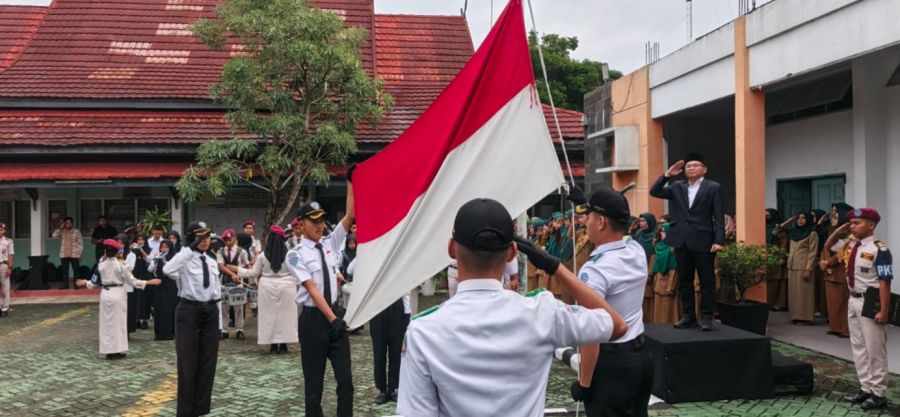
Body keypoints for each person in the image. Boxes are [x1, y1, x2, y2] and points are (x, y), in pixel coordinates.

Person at [396, 198, 627, 417]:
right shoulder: (543, 312)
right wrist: (554, 266)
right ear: (513, 253)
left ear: (451, 249)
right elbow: (617, 325)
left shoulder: (423, 331)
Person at [565, 187, 654, 417]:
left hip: (612, 362)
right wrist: (588, 202)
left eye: (590, 217)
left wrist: (584, 384)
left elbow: (591, 332)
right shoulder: (636, 250)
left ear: (602, 221)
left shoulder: (595, 270)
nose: (585, 222)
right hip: (642, 355)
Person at [285, 183, 355, 417]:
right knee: (314, 385)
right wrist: (334, 320)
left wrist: (351, 183)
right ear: (301, 224)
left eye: (322, 220)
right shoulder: (295, 254)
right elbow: (312, 289)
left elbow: (349, 216)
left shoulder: (328, 245)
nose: (319, 225)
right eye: (313, 221)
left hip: (335, 317)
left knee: (346, 379)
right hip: (314, 322)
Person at [650, 153, 725, 331]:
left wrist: (719, 240)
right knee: (685, 281)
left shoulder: (713, 187)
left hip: (704, 240)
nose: (691, 168)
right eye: (688, 166)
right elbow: (654, 192)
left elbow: (718, 215)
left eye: (695, 165)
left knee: (706, 281)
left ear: (704, 169)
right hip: (681, 240)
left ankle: (706, 317)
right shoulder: (677, 186)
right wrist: (667, 175)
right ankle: (688, 316)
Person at [163, 221, 223, 417]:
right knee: (188, 364)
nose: (205, 241)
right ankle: (186, 412)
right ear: (191, 238)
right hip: (189, 311)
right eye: (199, 237)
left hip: (210, 312)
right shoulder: (184, 258)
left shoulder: (212, 261)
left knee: (208, 363)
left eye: (207, 237)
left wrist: (220, 324)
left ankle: (201, 409)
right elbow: (167, 270)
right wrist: (188, 250)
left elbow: (217, 293)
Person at [837, 208, 892, 411]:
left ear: (871, 225)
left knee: (874, 348)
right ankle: (865, 388)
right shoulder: (852, 246)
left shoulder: (880, 250)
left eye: (857, 223)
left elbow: (885, 282)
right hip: (854, 300)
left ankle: (878, 393)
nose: (852, 226)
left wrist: (884, 311)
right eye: (851, 223)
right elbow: (829, 246)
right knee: (858, 347)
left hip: (871, 303)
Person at [76, 239, 160, 359]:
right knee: (118, 323)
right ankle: (117, 350)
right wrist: (148, 282)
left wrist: (86, 282)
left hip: (105, 293)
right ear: (117, 252)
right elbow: (133, 281)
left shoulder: (101, 265)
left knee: (106, 323)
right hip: (118, 293)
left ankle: (108, 350)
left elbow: (94, 283)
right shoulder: (121, 265)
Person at [239, 225, 298, 354]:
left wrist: (237, 271)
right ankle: (283, 344)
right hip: (287, 286)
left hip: (267, 286)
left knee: (268, 316)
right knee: (286, 316)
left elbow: (253, 273)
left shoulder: (262, 256)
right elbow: (297, 272)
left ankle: (272, 344)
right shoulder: (289, 255)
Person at [774, 212, 819, 325]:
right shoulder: (793, 232)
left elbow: (813, 252)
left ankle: (806, 318)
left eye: (803, 218)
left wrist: (808, 269)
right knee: (794, 293)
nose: (800, 220)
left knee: (804, 293)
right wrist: (790, 220)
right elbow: (775, 231)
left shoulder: (812, 233)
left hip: (803, 266)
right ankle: (795, 316)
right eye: (798, 218)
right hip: (792, 265)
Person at [819, 203, 854, 338]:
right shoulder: (833, 229)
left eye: (836, 211)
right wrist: (823, 261)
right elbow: (825, 247)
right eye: (832, 211)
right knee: (833, 302)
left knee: (843, 302)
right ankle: (835, 327)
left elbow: (845, 251)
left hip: (840, 270)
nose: (833, 213)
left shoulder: (850, 231)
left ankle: (845, 329)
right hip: (829, 270)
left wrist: (829, 262)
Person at [216, 229, 249, 340]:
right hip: (224, 281)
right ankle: (224, 330)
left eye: (230, 239)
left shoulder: (242, 252)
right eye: (225, 240)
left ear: (235, 238)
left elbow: (246, 266)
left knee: (239, 306)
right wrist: (232, 274)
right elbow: (221, 266)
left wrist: (239, 273)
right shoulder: (220, 252)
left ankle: (239, 329)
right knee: (224, 306)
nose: (228, 242)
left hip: (238, 282)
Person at [149, 240, 178, 341]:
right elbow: (150, 269)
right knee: (159, 308)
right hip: (159, 284)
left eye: (166, 247)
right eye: (162, 247)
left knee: (169, 309)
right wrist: (155, 260)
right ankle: (159, 333)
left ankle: (170, 333)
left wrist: (165, 262)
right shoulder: (157, 257)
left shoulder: (174, 258)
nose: (164, 249)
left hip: (170, 285)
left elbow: (175, 271)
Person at [652, 223, 680, 324]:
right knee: (658, 311)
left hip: (667, 283)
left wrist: (670, 287)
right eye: (661, 231)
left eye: (664, 231)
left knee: (668, 310)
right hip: (658, 282)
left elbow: (674, 269)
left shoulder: (672, 248)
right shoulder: (659, 246)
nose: (661, 233)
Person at [766, 208, 789, 310]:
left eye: (768, 215)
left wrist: (782, 257)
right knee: (769, 280)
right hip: (766, 255)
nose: (766, 217)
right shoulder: (764, 226)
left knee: (777, 280)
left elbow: (783, 243)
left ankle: (779, 304)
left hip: (776, 255)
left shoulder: (779, 229)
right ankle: (769, 302)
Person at [52, 216, 84, 289]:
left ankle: (77, 285)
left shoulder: (77, 232)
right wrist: (60, 227)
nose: (68, 224)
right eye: (66, 223)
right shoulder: (62, 231)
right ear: (64, 224)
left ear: (72, 224)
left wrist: (81, 253)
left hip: (74, 254)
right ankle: (65, 285)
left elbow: (80, 243)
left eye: (70, 223)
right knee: (65, 271)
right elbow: (54, 235)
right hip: (64, 254)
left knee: (76, 270)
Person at [0, 223, 14, 317]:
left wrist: (10, 267)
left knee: (5, 287)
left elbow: (11, 254)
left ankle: (5, 307)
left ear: (4, 231)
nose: (0, 231)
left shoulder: (8, 241)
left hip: (3, 265)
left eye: (1, 229)